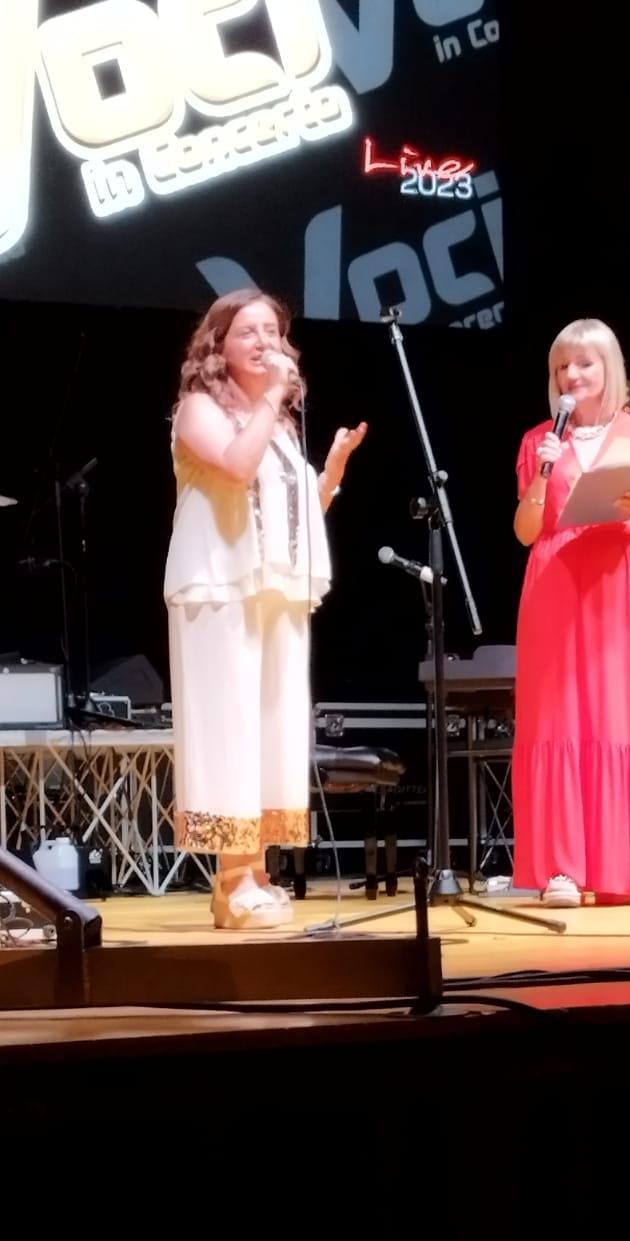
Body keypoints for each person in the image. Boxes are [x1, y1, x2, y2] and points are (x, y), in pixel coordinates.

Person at [163, 288, 367, 929]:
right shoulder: (199, 409)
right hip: (219, 588)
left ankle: (254, 872)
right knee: (230, 726)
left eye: (273, 333)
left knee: (269, 727)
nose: (264, 342)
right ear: (218, 344)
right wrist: (276, 394)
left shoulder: (277, 426)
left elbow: (292, 517)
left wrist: (329, 475)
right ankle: (231, 880)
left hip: (273, 592)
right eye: (248, 331)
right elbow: (234, 468)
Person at [511, 317, 630, 908]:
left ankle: (625, 866)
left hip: (625, 583)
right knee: (560, 718)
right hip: (558, 582)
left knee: (626, 715)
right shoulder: (540, 439)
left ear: (608, 367)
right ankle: (562, 868)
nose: (571, 374)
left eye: (583, 363)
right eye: (561, 366)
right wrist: (543, 474)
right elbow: (525, 530)